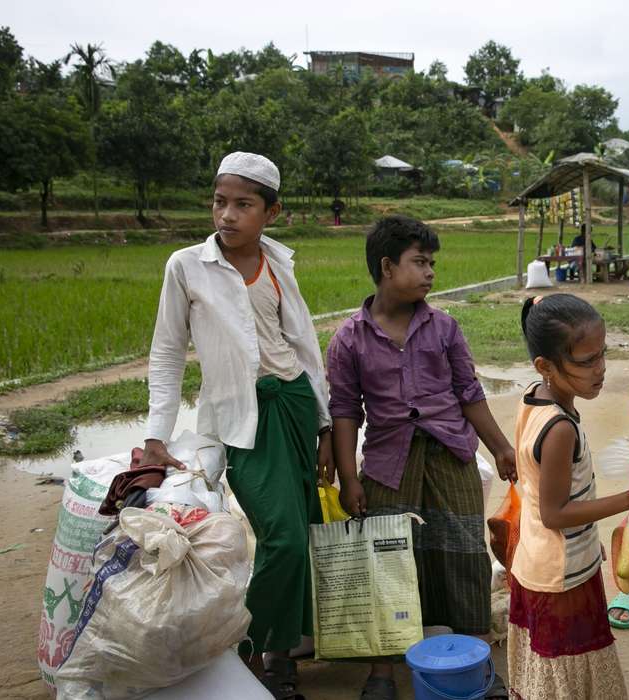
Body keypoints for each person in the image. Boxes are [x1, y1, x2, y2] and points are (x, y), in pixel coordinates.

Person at [143, 151, 331, 700]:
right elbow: (167, 352)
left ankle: (284, 653)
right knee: (285, 538)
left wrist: (323, 426)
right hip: (241, 419)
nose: (227, 214)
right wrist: (157, 435)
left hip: (293, 405)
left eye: (243, 204)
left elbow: (304, 347)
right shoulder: (186, 266)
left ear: (270, 213)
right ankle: (247, 651)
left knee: (306, 534)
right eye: (220, 201)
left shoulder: (278, 263)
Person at [326, 215, 516, 700]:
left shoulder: (444, 328)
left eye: (433, 263)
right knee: (386, 560)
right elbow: (345, 413)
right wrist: (350, 479)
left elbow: (469, 394)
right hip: (389, 462)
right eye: (420, 262)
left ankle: (476, 660)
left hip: (450, 456)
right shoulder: (349, 338)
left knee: (463, 554)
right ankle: (383, 671)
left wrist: (499, 446)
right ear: (388, 267)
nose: (431, 272)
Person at [508, 293, 629, 699]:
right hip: (560, 575)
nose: (600, 370)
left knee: (550, 666)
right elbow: (556, 512)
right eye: (585, 361)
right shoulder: (560, 429)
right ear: (546, 366)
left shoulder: (536, 398)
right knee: (568, 666)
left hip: (538, 561)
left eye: (602, 355)